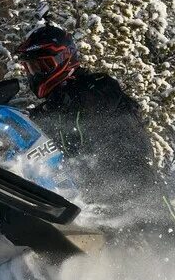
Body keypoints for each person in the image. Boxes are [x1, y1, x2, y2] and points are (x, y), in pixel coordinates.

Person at [15, 24, 164, 225]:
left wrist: (44, 111)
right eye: (31, 68)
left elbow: (87, 108)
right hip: (88, 196)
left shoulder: (99, 85)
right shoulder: (54, 106)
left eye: (41, 67)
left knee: (162, 244)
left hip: (137, 191)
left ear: (62, 59)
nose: (35, 74)